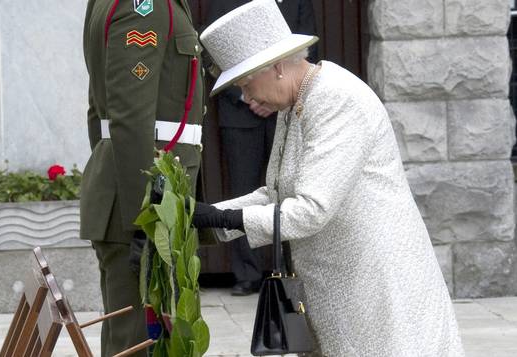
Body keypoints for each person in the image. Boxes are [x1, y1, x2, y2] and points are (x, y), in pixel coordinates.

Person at [193, 0, 465, 355]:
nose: (244, 97)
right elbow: (277, 192)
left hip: (375, 286)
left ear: (275, 67)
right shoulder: (296, 101)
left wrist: (225, 218)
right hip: (338, 286)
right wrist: (202, 217)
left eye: (245, 83)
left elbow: (311, 209)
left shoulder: (336, 99)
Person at [81, 0, 204, 355]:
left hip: (135, 189)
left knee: (132, 336)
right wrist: (144, 217)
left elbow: (98, 111)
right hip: (149, 199)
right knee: (138, 341)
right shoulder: (143, 8)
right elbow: (129, 118)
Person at [202, 0, 318, 296]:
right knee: (244, 187)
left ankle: (289, 269)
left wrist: (273, 95)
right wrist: (247, 95)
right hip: (239, 116)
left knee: (291, 187)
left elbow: (305, 45)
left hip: (285, 102)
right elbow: (211, 54)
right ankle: (247, 273)